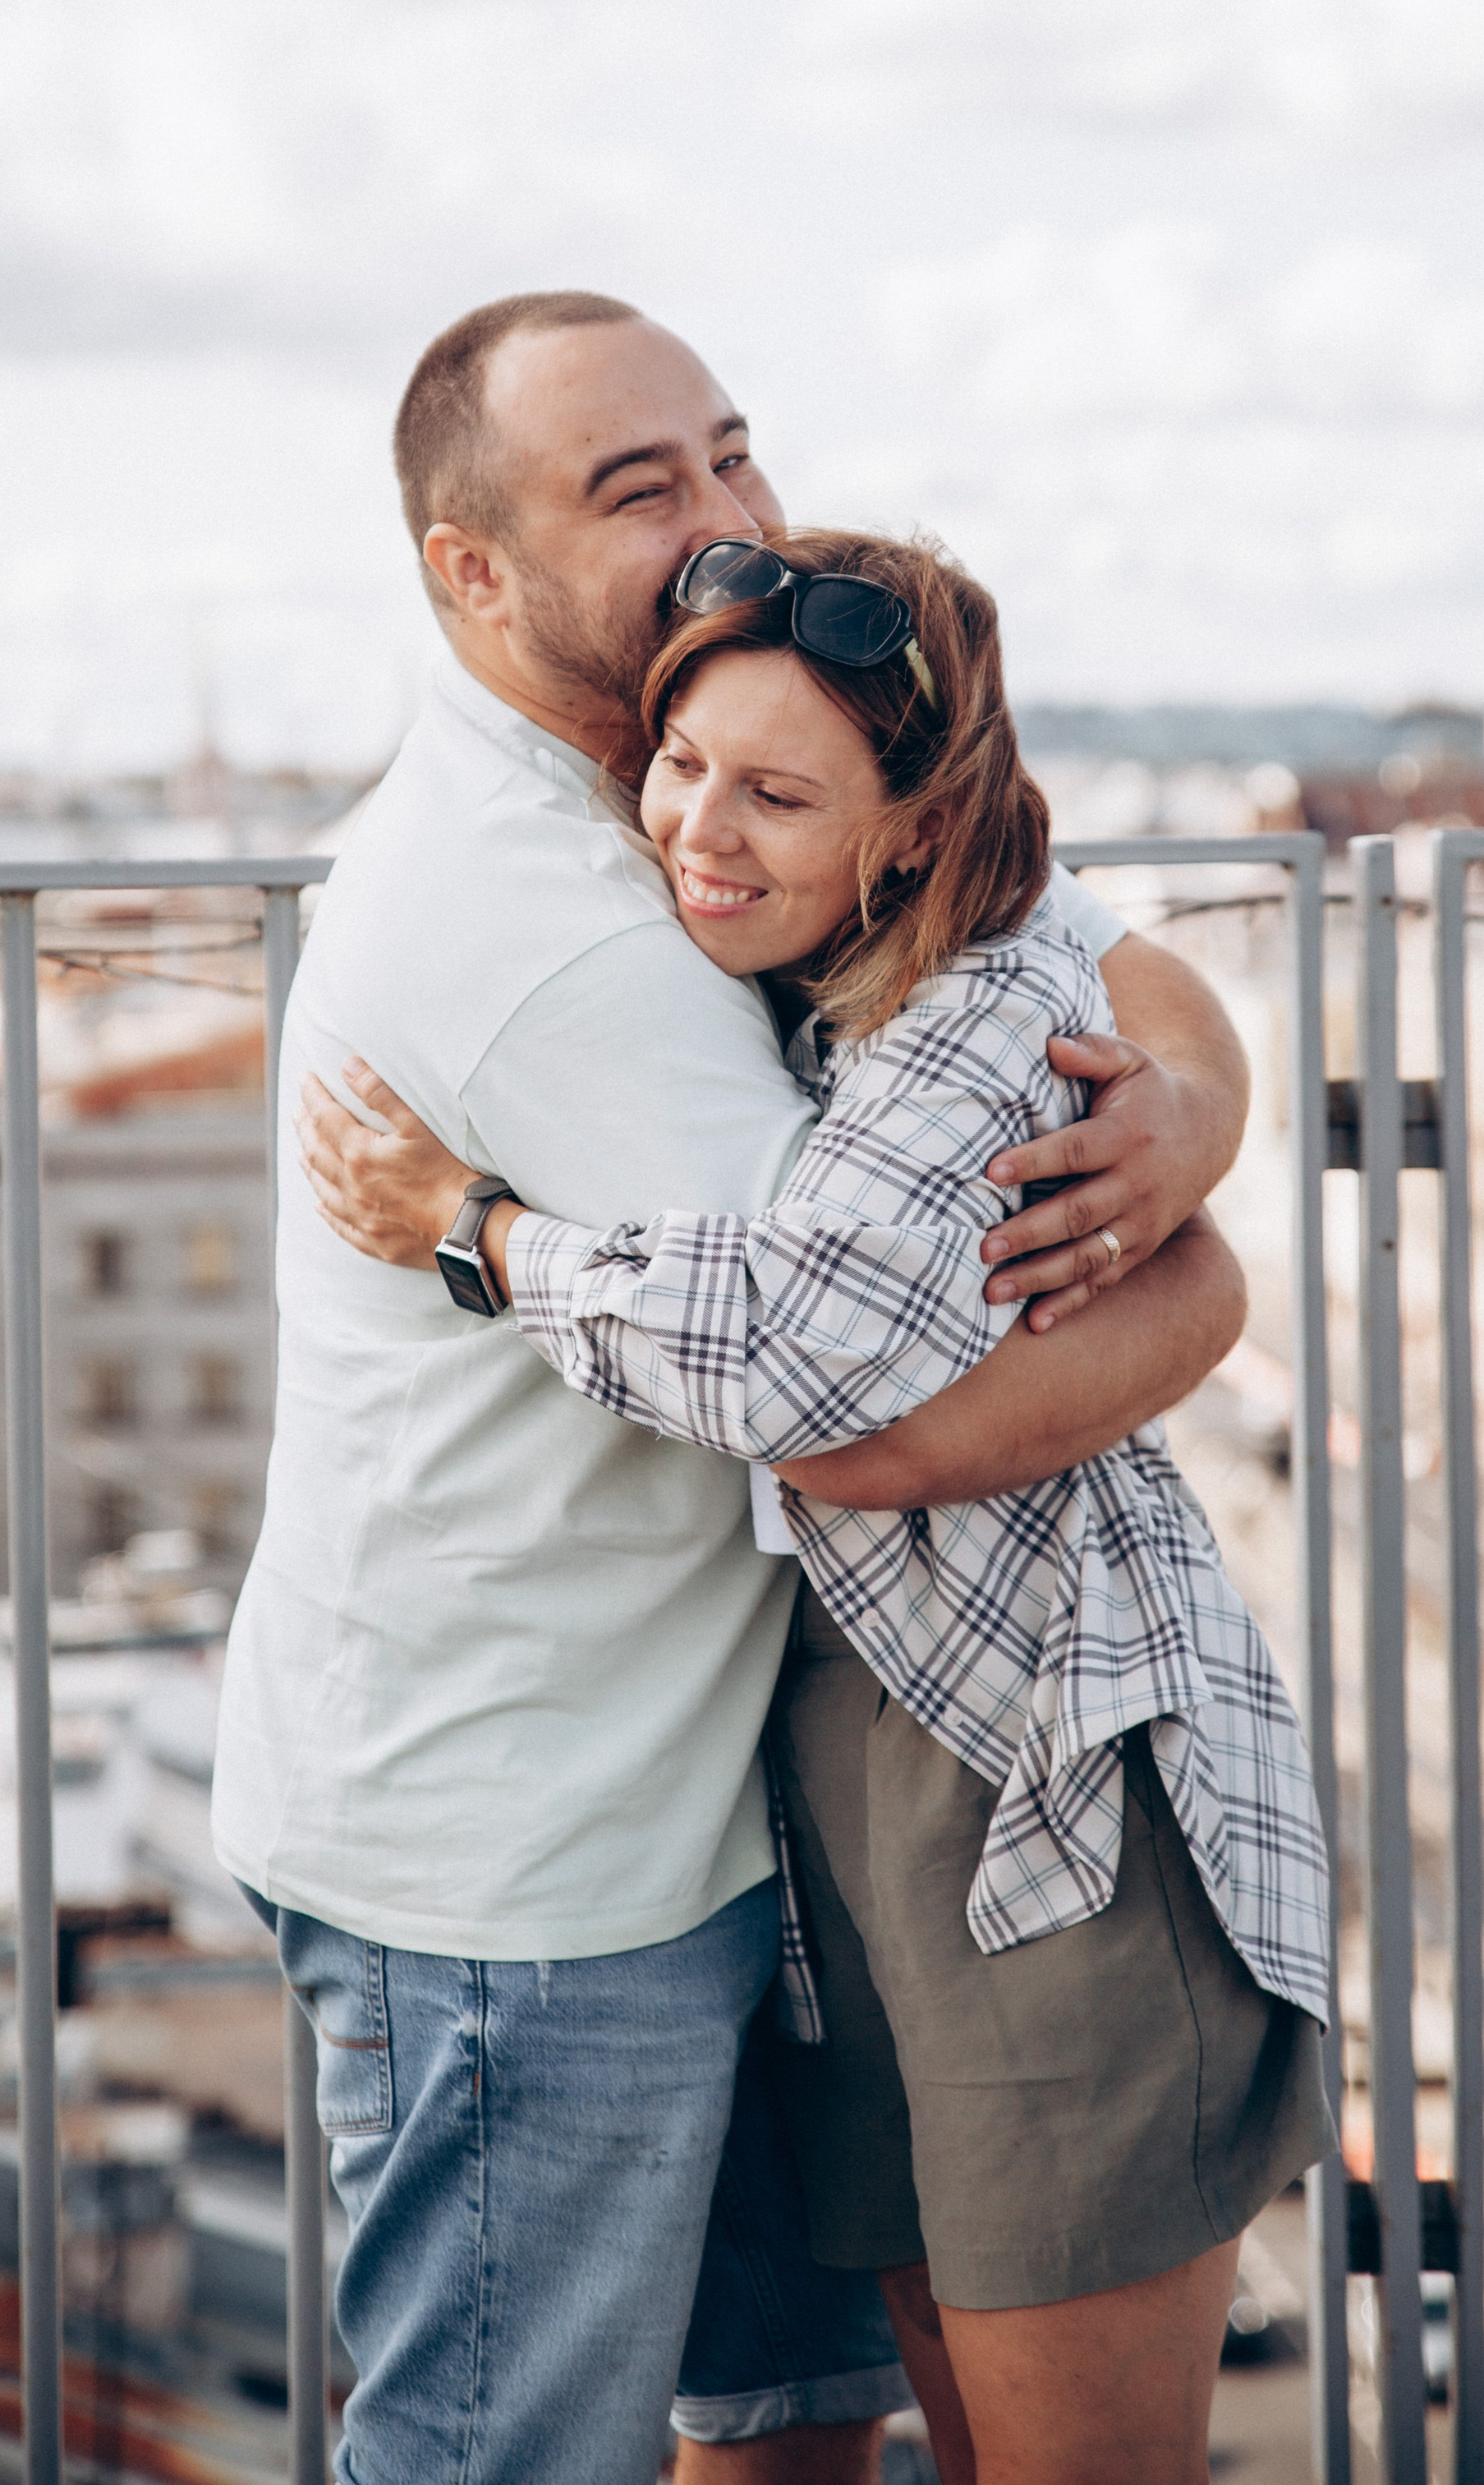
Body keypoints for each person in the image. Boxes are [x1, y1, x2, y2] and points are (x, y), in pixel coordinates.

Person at [212, 290, 1254, 2485]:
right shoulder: (567, 913)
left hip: (721, 1822)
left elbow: (1049, 926)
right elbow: (856, 1383)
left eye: (729, 453)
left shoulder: (666, 777)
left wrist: (1190, 1098)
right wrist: (1210, 1285)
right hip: (524, 1864)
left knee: (782, 2430)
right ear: (469, 574)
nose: (720, 521)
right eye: (637, 487)